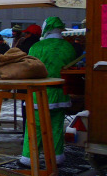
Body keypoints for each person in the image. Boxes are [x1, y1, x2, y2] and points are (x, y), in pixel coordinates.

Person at [19, 16, 77, 167]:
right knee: (56, 126)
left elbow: (30, 68)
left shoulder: (37, 47)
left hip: (39, 93)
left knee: (34, 126)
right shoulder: (68, 47)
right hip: (60, 93)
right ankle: (56, 156)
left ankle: (29, 158)